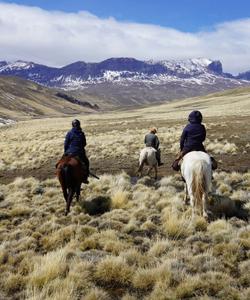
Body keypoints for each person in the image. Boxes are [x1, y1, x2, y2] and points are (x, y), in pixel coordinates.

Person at [64, 119, 90, 183]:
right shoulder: (81, 133)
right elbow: (84, 143)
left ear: (72, 125)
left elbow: (66, 144)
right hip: (79, 152)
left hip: (69, 152)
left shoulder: (69, 133)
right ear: (79, 125)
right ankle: (85, 177)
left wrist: (65, 152)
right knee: (86, 162)